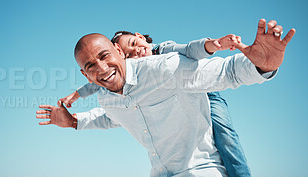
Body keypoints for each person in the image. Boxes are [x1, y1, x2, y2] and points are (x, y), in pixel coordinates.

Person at [36, 19, 295, 177]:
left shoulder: (165, 67)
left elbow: (225, 72)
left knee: (227, 136)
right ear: (85, 74)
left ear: (118, 52)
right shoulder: (107, 98)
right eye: (91, 66)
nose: (101, 69)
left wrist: (263, 66)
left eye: (104, 56)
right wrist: (72, 122)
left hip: (201, 172)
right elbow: (111, 118)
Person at [59, 31, 250, 176]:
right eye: (130, 54)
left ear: (140, 36)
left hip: (207, 92)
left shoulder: (165, 56)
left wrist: (211, 45)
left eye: (134, 43)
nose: (137, 51)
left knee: (225, 135)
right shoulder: (121, 89)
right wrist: (75, 112)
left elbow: (193, 53)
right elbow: (112, 113)